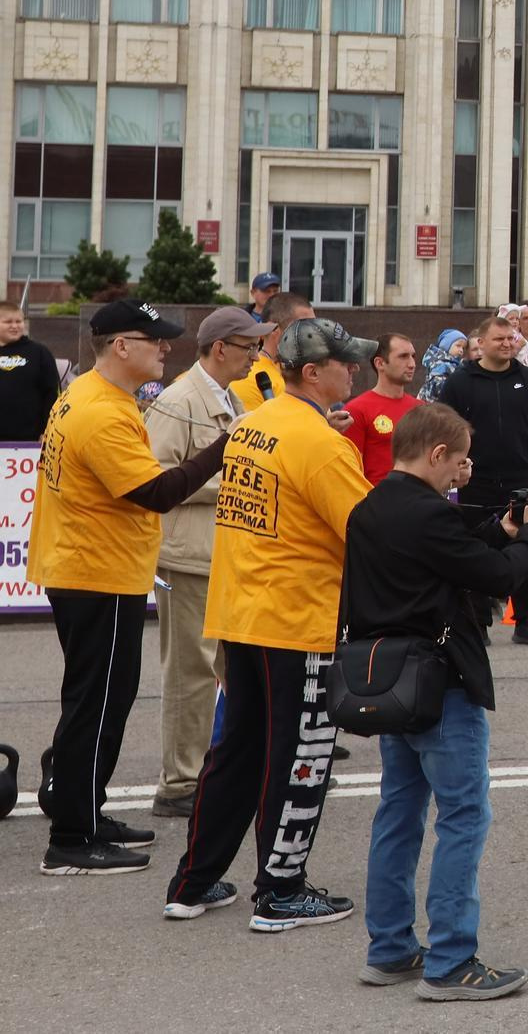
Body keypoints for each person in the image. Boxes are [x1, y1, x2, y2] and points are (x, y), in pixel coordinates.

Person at [164, 316, 376, 928]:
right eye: (346, 361)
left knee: (236, 750)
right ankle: (281, 890)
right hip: (297, 615)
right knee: (300, 754)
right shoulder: (320, 443)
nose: (355, 369)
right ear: (313, 372)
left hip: (243, 609)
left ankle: (193, 883)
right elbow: (365, 531)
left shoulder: (252, 425)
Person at [345, 403, 528, 1001]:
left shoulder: (372, 508)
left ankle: (388, 949)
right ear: (435, 453)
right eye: (460, 460)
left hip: (390, 680)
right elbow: (495, 578)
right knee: (463, 816)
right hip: (442, 682)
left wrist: (505, 531)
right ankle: (451, 961)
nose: (464, 472)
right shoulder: (427, 514)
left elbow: (448, 560)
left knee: (398, 814)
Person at [27, 300, 225, 875]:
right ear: (120, 346)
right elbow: (157, 493)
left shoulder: (97, 395)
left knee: (99, 698)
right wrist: (224, 449)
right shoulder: (102, 412)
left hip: (90, 567)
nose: (165, 348)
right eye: (154, 339)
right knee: (98, 704)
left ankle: (85, 811)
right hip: (95, 572)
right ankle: (71, 837)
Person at [143, 306, 264, 819]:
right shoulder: (177, 400)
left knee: (231, 668)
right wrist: (235, 481)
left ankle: (218, 767)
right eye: (248, 347)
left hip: (219, 554)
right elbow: (157, 482)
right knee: (191, 673)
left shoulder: (225, 394)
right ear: (220, 349)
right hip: (189, 558)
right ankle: (179, 784)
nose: (256, 355)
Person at [434, 315, 528, 646]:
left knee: (527, 544)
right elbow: (443, 425)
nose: (506, 344)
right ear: (482, 343)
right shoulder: (461, 381)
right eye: (499, 339)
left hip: (519, 479)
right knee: (476, 549)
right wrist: (452, 470)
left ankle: (525, 621)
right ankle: (477, 622)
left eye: (511, 338)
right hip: (475, 481)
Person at [343, 335, 422, 487]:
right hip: (374, 502)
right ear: (380, 363)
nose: (412, 364)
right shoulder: (357, 410)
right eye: (403, 357)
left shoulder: (421, 408)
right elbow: (350, 470)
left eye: (413, 356)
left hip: (416, 501)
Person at [230, 290, 312, 412]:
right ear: (273, 329)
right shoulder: (248, 376)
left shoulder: (300, 372)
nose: (313, 334)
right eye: (304, 327)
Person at [0, 299, 64, 441]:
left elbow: (53, 392)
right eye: (8, 322)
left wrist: (47, 429)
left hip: (30, 440)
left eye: (19, 321)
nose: (15, 326)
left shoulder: (39, 352)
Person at [416, 327, 470, 406]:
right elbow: (439, 386)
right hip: (435, 405)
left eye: (463, 348)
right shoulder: (441, 365)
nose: (461, 350)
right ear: (446, 345)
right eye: (458, 345)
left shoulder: (453, 363)